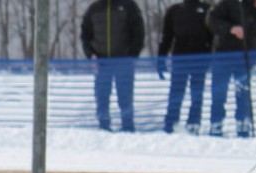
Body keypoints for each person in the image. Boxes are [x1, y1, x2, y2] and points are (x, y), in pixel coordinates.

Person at [207, 0, 256, 138]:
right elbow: (212, 20)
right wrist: (230, 28)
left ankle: (243, 124)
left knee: (243, 93)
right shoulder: (232, 3)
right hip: (224, 56)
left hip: (246, 60)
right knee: (219, 92)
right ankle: (216, 124)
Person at [81, 0, 145, 132]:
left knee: (125, 97)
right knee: (101, 96)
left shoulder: (129, 5)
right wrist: (90, 54)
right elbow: (85, 35)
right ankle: (103, 126)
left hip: (124, 62)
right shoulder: (94, 8)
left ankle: (127, 126)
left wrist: (132, 54)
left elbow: (139, 32)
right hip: (101, 63)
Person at [157, 0, 213, 135]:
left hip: (201, 58)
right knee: (176, 92)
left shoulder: (207, 9)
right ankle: (171, 122)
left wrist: (211, 55)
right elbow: (167, 36)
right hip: (180, 58)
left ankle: (194, 123)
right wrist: (161, 58)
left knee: (197, 93)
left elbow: (213, 35)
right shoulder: (174, 10)